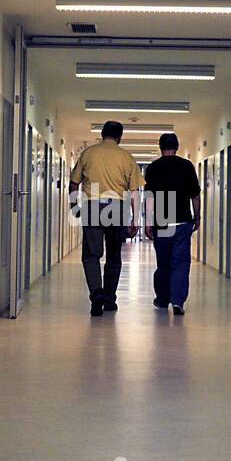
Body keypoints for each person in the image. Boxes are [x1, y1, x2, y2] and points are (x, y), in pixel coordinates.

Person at [68, 121, 143, 316]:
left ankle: (96, 293)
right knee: (114, 255)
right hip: (117, 207)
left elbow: (74, 183)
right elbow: (135, 191)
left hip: (93, 206)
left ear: (102, 134)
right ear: (120, 137)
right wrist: (136, 219)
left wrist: (74, 207)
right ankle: (109, 298)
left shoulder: (88, 153)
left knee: (91, 255)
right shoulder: (126, 157)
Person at [143, 133, 200, 315]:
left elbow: (150, 197)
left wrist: (149, 222)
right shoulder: (186, 166)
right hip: (183, 221)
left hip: (162, 222)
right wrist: (197, 216)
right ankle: (177, 301)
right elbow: (195, 195)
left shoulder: (153, 168)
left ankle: (162, 299)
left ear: (160, 147)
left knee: (164, 263)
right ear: (177, 147)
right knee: (181, 263)